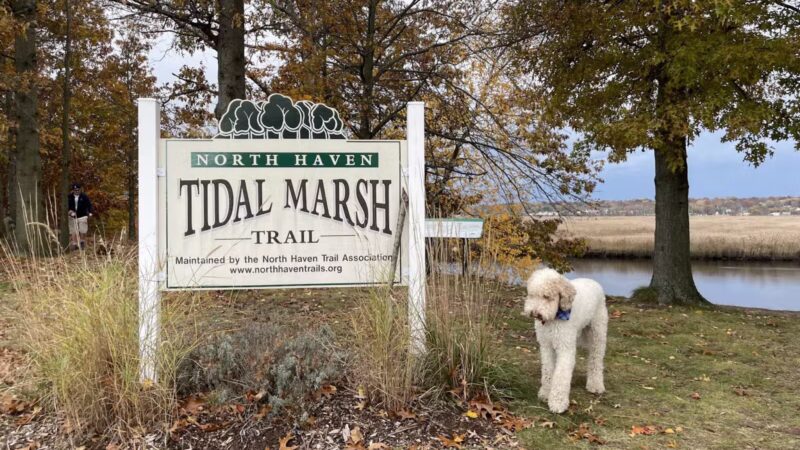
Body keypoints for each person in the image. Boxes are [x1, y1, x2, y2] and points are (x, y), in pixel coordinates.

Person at [67, 183, 93, 250]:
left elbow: (89, 205)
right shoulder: (69, 197)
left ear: (80, 190)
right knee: (73, 230)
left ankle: (82, 242)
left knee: (83, 230)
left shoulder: (84, 196)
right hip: (72, 216)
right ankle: (74, 243)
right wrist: (69, 211)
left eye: (78, 190)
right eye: (75, 190)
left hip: (82, 215)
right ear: (73, 190)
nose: (77, 191)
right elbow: (66, 206)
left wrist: (90, 212)